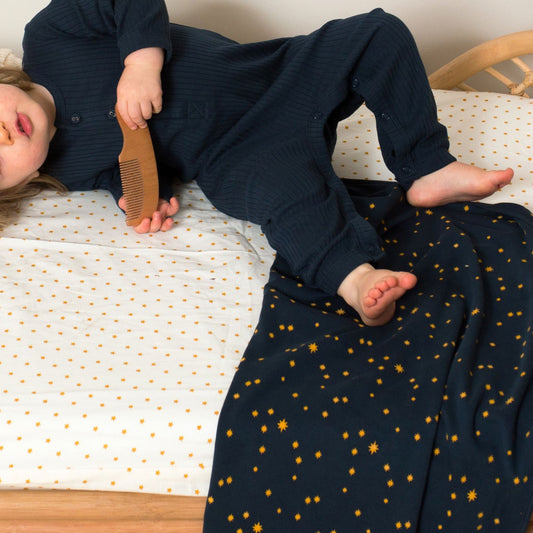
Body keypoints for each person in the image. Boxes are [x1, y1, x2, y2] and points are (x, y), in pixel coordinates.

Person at [0, 0, 513, 326]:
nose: (2, 135)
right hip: (232, 153)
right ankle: (354, 278)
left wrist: (140, 62)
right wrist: (143, 195)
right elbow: (123, 166)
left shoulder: (49, 37)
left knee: (378, 33)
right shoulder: (67, 169)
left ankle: (426, 165)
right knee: (288, 200)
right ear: (22, 184)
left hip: (274, 73)